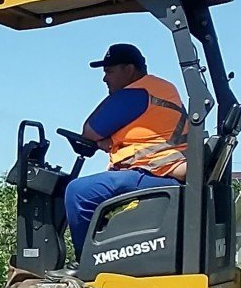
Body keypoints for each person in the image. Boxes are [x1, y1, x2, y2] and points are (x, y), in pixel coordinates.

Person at [63, 41, 191, 256]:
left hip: (154, 172)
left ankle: (86, 263)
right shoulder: (162, 89)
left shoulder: (135, 93)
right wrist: (108, 143)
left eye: (110, 71)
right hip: (164, 171)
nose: (105, 78)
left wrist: (101, 141)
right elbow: (144, 137)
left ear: (129, 70)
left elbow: (90, 132)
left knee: (78, 192)